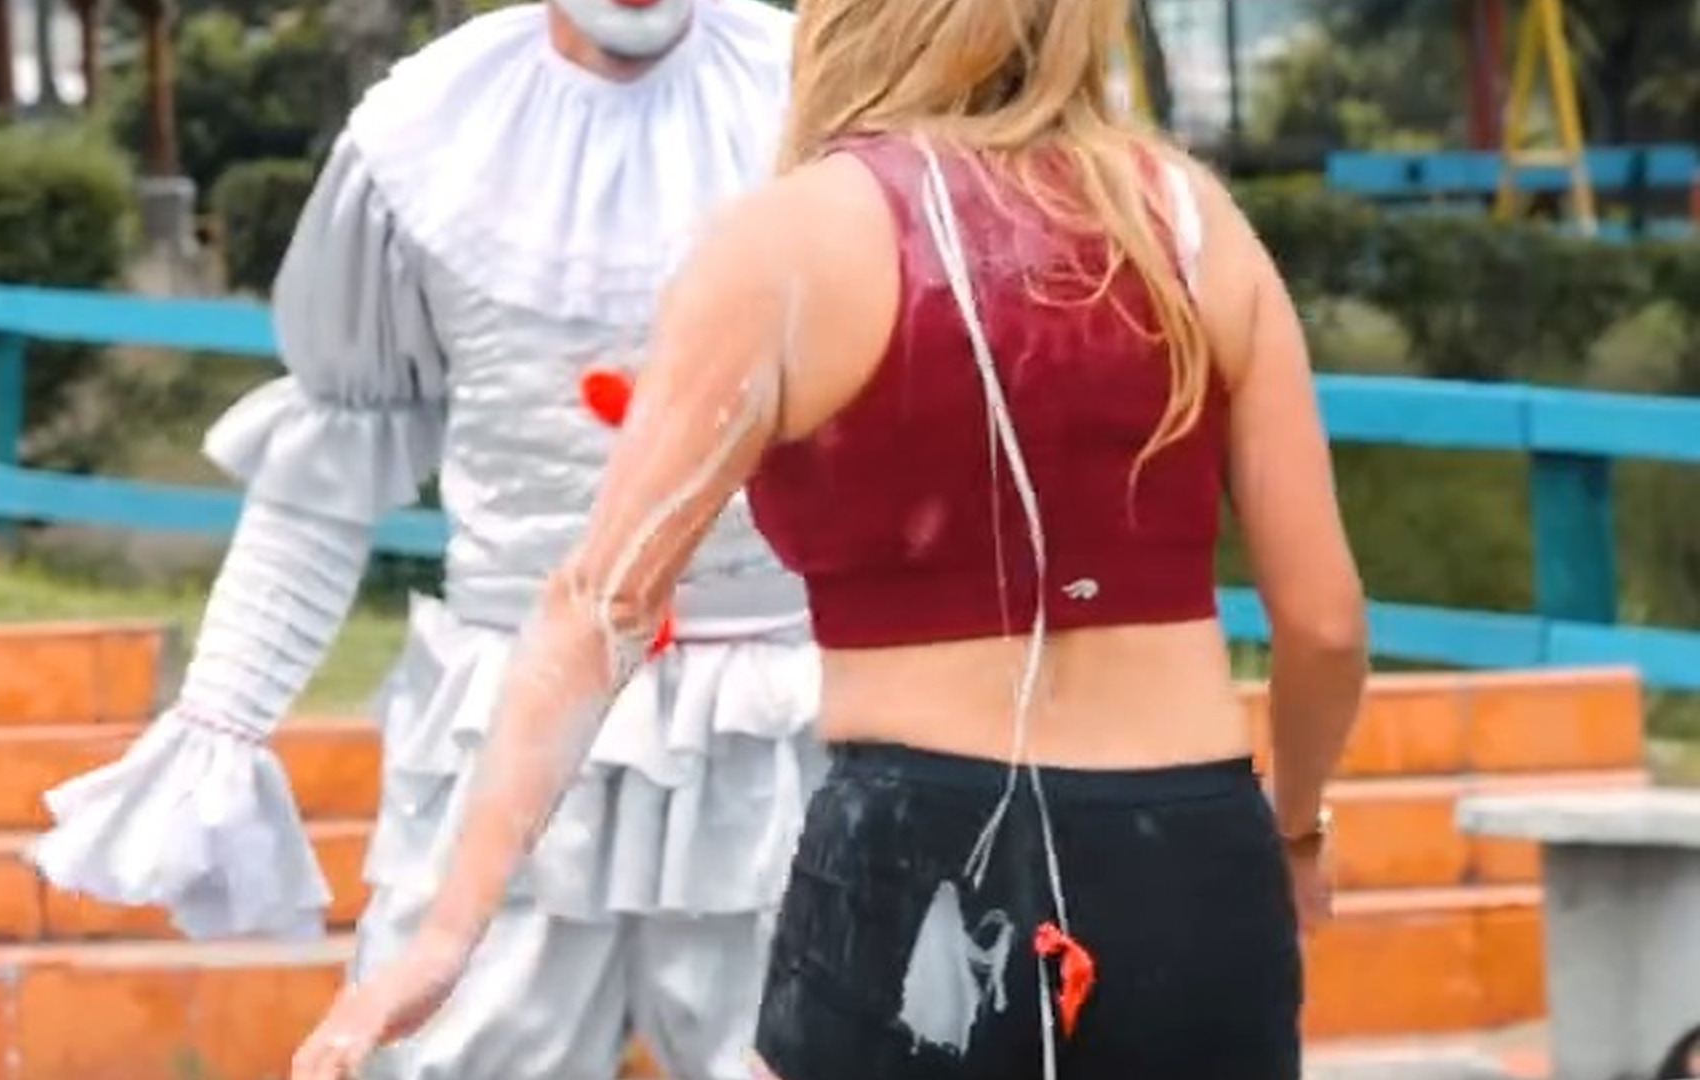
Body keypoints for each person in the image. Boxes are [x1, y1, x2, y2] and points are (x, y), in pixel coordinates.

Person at [286, 0, 1371, 1075]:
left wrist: (446, 935)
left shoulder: (792, 243)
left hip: (923, 851)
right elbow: (1323, 625)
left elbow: (601, 606)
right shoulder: (1188, 222)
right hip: (1194, 852)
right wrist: (1295, 829)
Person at [28, 2, 824, 1080]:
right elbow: (330, 460)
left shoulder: (819, 103)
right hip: (505, 725)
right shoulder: (423, 135)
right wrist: (223, 717)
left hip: (776, 730)